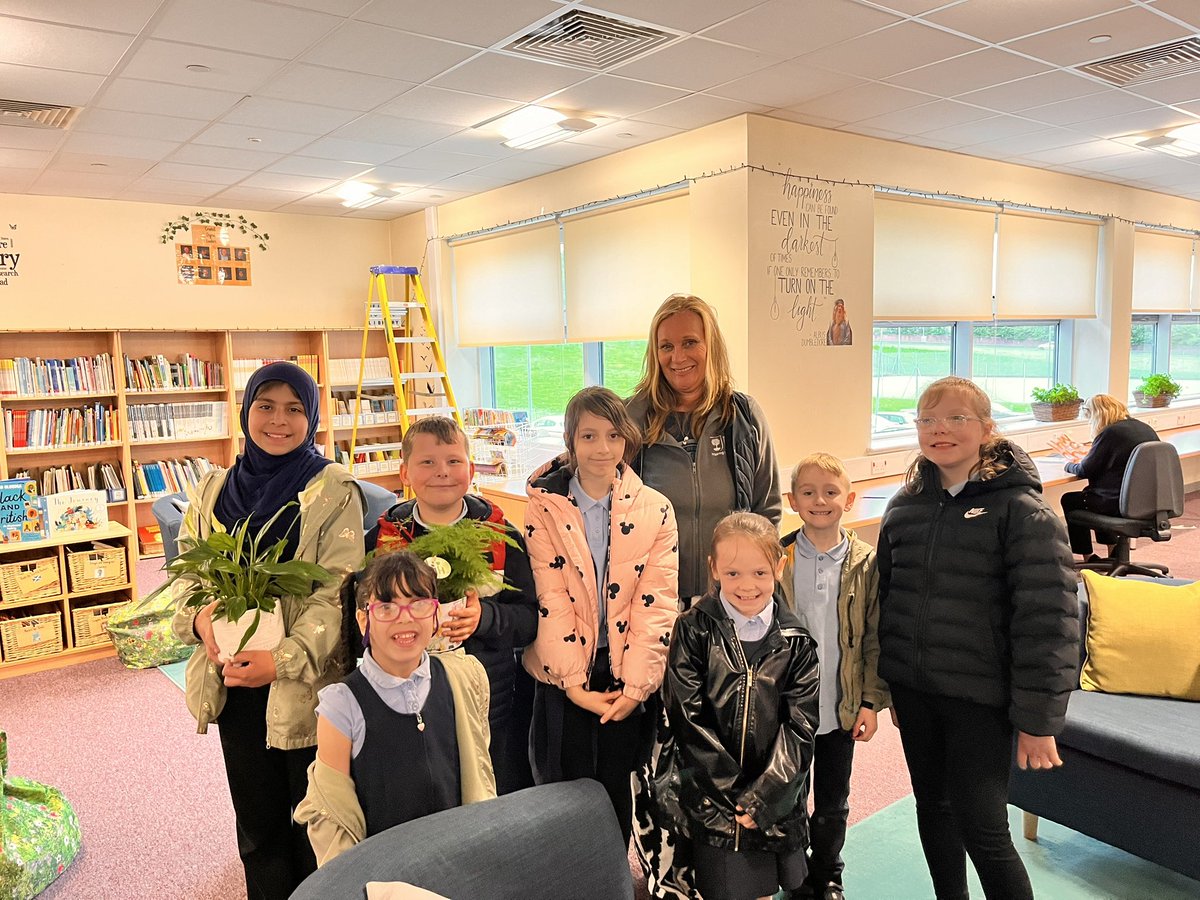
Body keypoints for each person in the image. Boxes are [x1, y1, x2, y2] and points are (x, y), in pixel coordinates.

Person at [876, 376, 1079, 900]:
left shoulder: (1022, 510)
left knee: (983, 827)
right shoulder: (904, 506)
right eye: (927, 419)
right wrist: (892, 683)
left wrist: (1038, 720)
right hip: (917, 693)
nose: (940, 429)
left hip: (980, 700)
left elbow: (1049, 621)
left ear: (988, 429)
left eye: (956, 418)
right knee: (933, 811)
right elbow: (889, 599)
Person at [171, 361, 365, 900]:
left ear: (314, 418)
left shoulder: (331, 489)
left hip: (307, 687)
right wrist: (200, 618)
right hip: (232, 680)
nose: (278, 421)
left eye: (294, 409)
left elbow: (336, 592)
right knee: (256, 824)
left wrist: (281, 659)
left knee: (314, 820)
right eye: (265, 406)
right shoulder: (212, 490)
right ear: (244, 411)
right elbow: (188, 576)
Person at [628, 293, 782, 898]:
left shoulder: (743, 417)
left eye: (689, 342)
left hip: (729, 614)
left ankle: (729, 871)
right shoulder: (636, 417)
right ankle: (669, 869)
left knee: (728, 741)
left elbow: (767, 512)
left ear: (710, 345)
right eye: (666, 345)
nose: (677, 356)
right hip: (656, 614)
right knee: (666, 746)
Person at [523, 386, 679, 848]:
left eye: (613, 435)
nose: (602, 448)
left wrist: (635, 686)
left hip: (626, 671)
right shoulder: (543, 509)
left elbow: (656, 603)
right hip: (564, 674)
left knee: (620, 792)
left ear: (627, 440)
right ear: (571, 441)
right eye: (588, 436)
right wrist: (573, 683)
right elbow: (551, 598)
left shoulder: (655, 509)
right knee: (564, 792)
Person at [365, 415, 538, 795]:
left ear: (471, 469)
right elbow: (360, 619)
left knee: (487, 795)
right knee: (421, 794)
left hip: (486, 698)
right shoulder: (383, 538)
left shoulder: (500, 534)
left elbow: (529, 620)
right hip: (403, 699)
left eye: (454, 461)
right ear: (404, 472)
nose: (441, 472)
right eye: (427, 462)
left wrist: (485, 617)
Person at [294, 551, 496, 865]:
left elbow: (478, 771)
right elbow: (334, 818)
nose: (405, 618)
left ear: (434, 615)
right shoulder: (342, 704)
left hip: (459, 862)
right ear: (364, 619)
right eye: (386, 607)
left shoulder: (463, 676)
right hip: (385, 876)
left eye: (418, 604)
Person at [665, 511, 820, 900]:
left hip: (773, 798)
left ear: (779, 568)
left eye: (759, 573)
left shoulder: (796, 639)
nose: (746, 585)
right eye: (732, 573)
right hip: (716, 799)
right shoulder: (693, 628)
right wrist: (735, 794)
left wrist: (763, 796)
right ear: (713, 569)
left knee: (764, 889)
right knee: (726, 889)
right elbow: (687, 717)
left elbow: (800, 726)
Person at [780, 453, 888, 900]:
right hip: (788, 709)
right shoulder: (778, 558)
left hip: (840, 709)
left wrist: (870, 700)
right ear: (792, 499)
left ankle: (827, 873)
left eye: (830, 492)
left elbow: (875, 639)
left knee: (832, 800)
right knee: (787, 795)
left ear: (849, 498)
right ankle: (793, 873)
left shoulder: (867, 563)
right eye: (808, 492)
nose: (819, 500)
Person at [1059, 393, 1159, 559]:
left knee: (1071, 500)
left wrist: (1068, 464)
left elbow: (1085, 469)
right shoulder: (1144, 428)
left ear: (1097, 414)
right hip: (1147, 501)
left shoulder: (1110, 432)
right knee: (1094, 494)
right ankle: (1113, 552)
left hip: (1117, 503)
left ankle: (1087, 556)